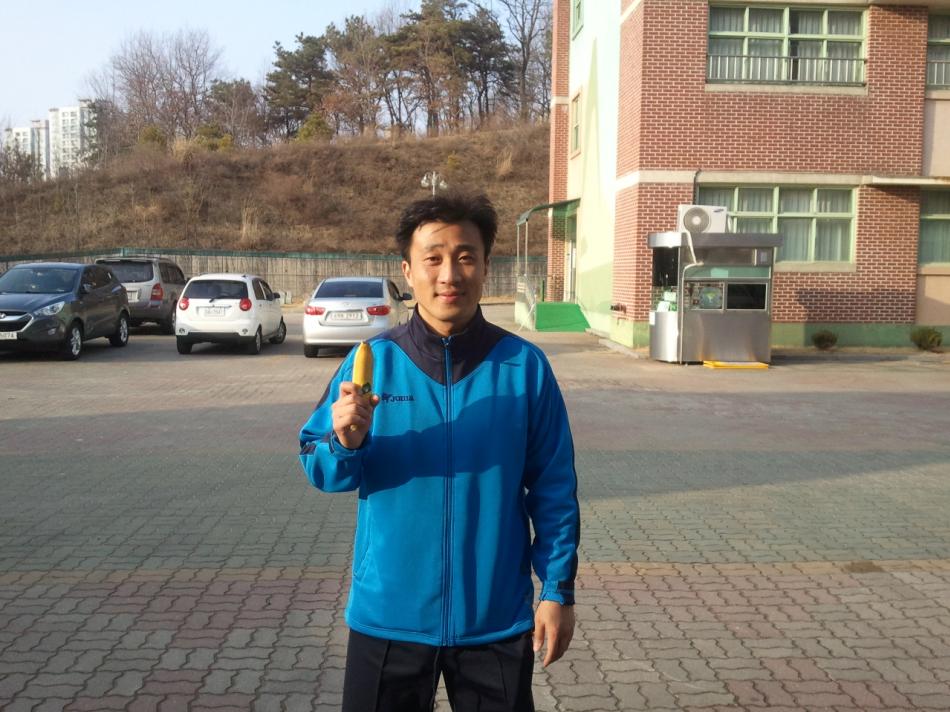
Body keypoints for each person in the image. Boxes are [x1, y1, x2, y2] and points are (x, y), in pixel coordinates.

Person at [298, 192, 580, 712]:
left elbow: (554, 489)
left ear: (486, 266)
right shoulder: (373, 362)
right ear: (408, 271)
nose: (450, 274)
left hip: (494, 619)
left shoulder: (524, 367)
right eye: (433, 258)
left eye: (465, 256)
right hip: (388, 618)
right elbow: (321, 468)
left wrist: (557, 589)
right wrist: (345, 442)